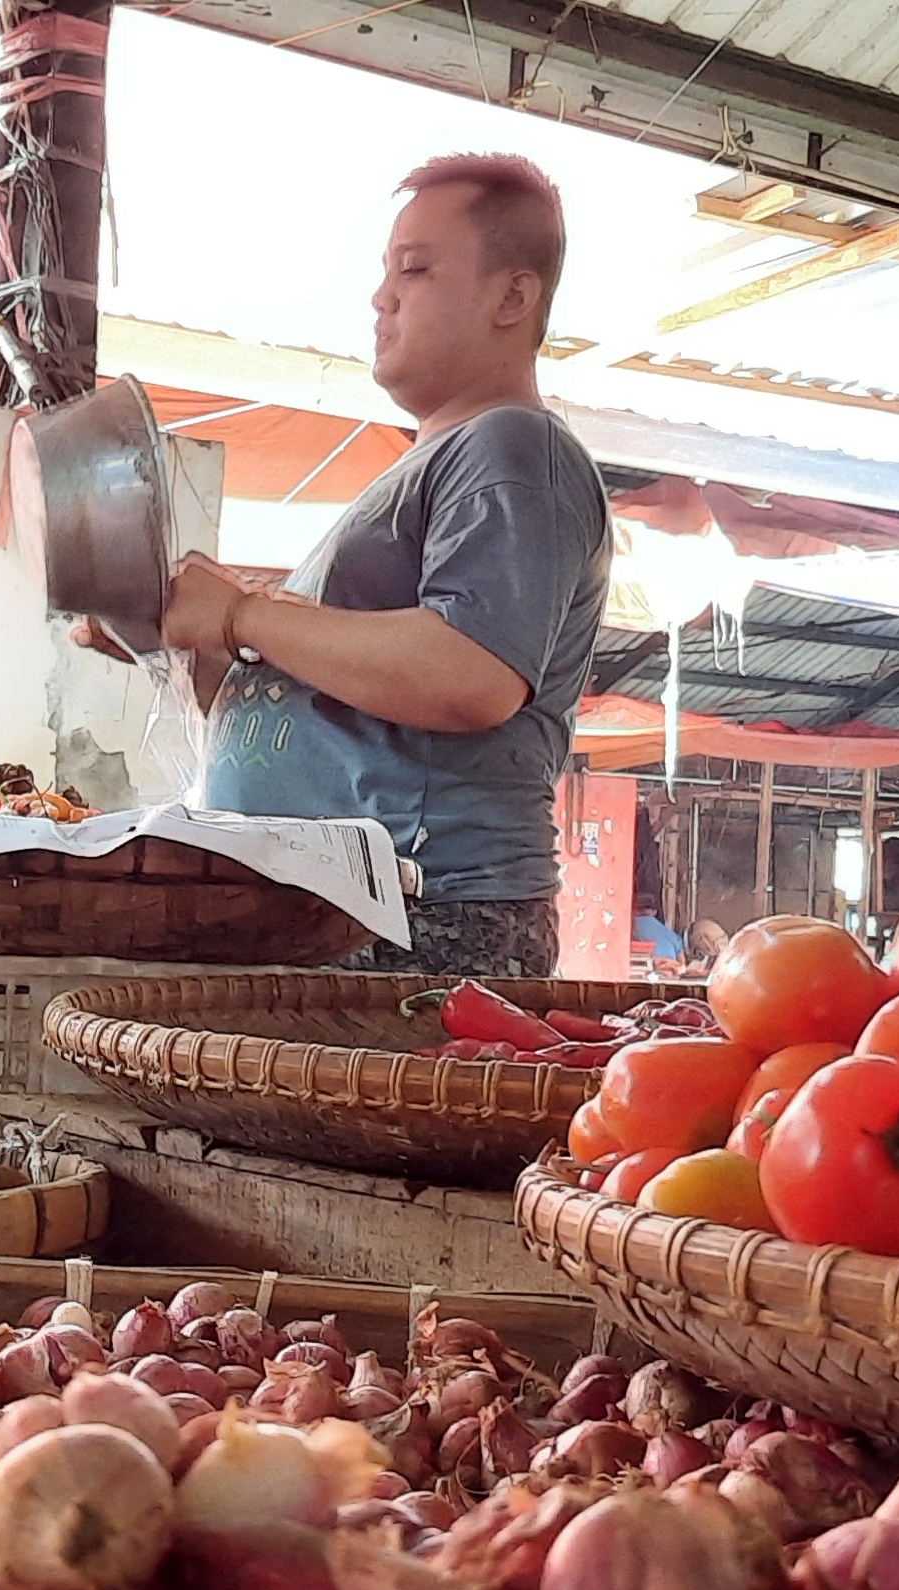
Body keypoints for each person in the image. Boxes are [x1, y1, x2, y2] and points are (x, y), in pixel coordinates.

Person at [131, 153, 610, 976]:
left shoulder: (511, 446)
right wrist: (207, 640)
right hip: (335, 910)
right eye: (385, 272)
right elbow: (327, 710)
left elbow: (472, 673)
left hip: (422, 912)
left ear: (512, 296)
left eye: (415, 270)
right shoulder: (427, 470)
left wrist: (247, 614)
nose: (382, 297)